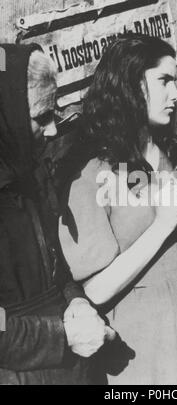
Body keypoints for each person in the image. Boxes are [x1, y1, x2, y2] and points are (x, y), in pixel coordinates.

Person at [59, 34, 177, 385]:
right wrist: (161, 226)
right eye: (164, 80)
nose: (176, 94)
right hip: (135, 353)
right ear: (130, 85)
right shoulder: (93, 173)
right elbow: (93, 291)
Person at [0, 44, 112, 385]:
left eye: (55, 112)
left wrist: (74, 300)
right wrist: (59, 335)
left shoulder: (30, 178)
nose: (52, 130)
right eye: (40, 116)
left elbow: (56, 267)